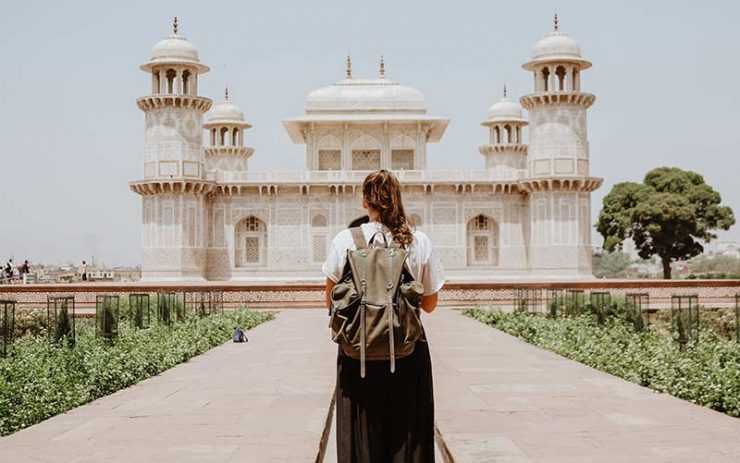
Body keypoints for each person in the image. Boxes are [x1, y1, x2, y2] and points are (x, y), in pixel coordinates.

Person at [322, 169, 445, 463]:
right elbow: (429, 304)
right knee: (408, 431)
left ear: (365, 202)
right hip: (407, 349)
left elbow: (330, 301)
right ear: (398, 200)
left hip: (358, 351)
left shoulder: (345, 240)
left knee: (360, 430)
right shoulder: (418, 241)